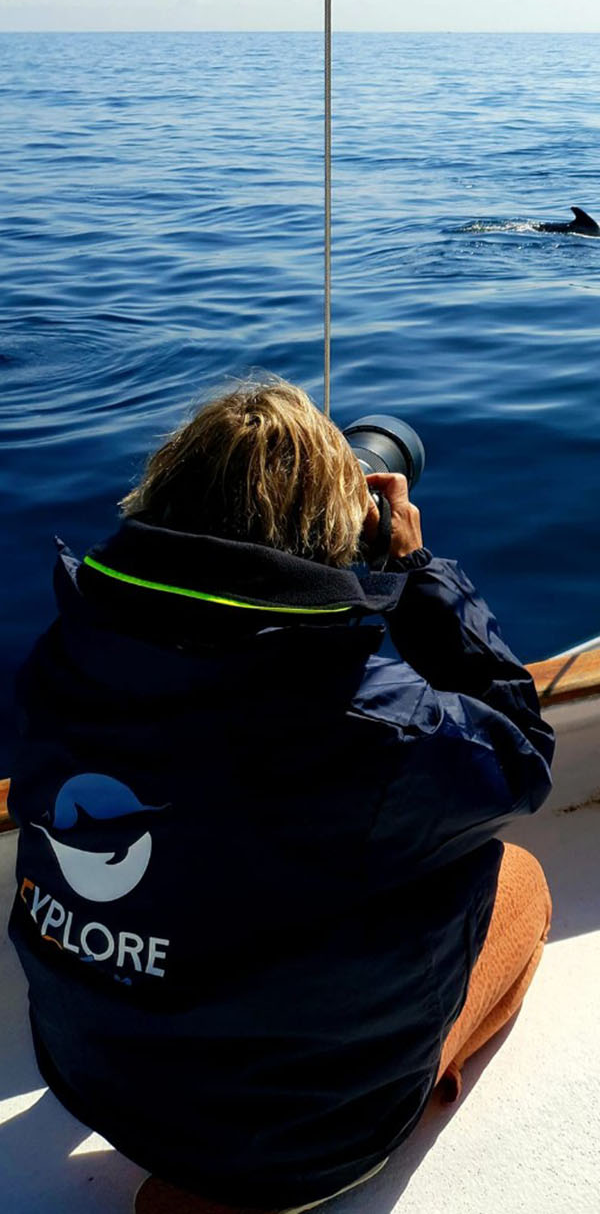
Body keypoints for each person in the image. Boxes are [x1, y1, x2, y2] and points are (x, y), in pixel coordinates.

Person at [7, 380, 555, 1214]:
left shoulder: (66, 655)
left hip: (91, 1083)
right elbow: (521, 756)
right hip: (293, 1153)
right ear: (342, 535)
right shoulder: (379, 729)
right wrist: (416, 569)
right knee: (519, 878)